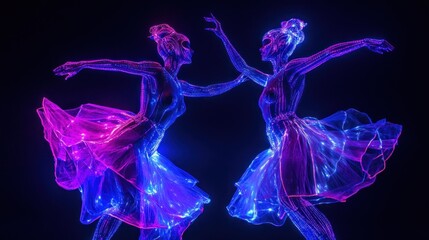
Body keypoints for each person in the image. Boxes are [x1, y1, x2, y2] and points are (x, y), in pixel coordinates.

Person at [37, 23, 246, 240]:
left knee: (129, 202)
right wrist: (82, 64)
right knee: (129, 201)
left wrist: (239, 80)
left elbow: (208, 90)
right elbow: (117, 65)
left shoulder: (179, 85)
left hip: (148, 147)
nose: (191, 50)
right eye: (186, 44)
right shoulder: (156, 71)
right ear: (172, 46)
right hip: (133, 139)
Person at [205, 15, 402, 239]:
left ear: (281, 44)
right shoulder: (269, 78)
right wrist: (222, 35)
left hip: (291, 135)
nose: (262, 47)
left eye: (267, 42)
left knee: (290, 198)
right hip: (277, 141)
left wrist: (363, 41)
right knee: (289, 200)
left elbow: (327, 54)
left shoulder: (292, 69)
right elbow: (243, 67)